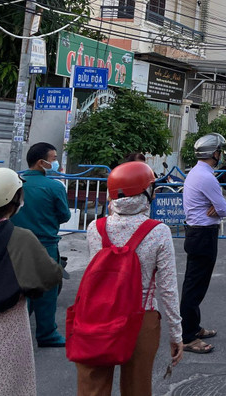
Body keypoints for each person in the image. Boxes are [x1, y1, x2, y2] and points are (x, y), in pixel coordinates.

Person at [76, 162, 183, 395]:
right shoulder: (158, 231)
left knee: (92, 386)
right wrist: (176, 333)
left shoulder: (96, 228)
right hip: (141, 317)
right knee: (137, 387)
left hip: (98, 315)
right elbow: (168, 289)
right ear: (146, 193)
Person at [0, 168, 63, 396]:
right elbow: (48, 277)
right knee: (7, 386)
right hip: (7, 325)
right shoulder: (21, 238)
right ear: (12, 202)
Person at [10, 142, 70, 347]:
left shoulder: (16, 182)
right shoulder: (54, 186)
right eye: (53, 159)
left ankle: (16, 336)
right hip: (45, 244)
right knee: (47, 290)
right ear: (40, 162)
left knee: (18, 290)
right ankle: (47, 335)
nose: (55, 163)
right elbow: (64, 215)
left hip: (14, 244)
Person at [180, 133, 226, 354]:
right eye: (220, 151)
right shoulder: (207, 177)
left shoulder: (197, 172)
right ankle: (187, 336)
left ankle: (194, 327)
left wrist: (216, 208)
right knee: (194, 286)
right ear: (214, 153)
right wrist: (216, 209)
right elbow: (224, 209)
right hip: (203, 234)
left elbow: (218, 208)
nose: (221, 155)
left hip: (197, 233)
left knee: (196, 284)